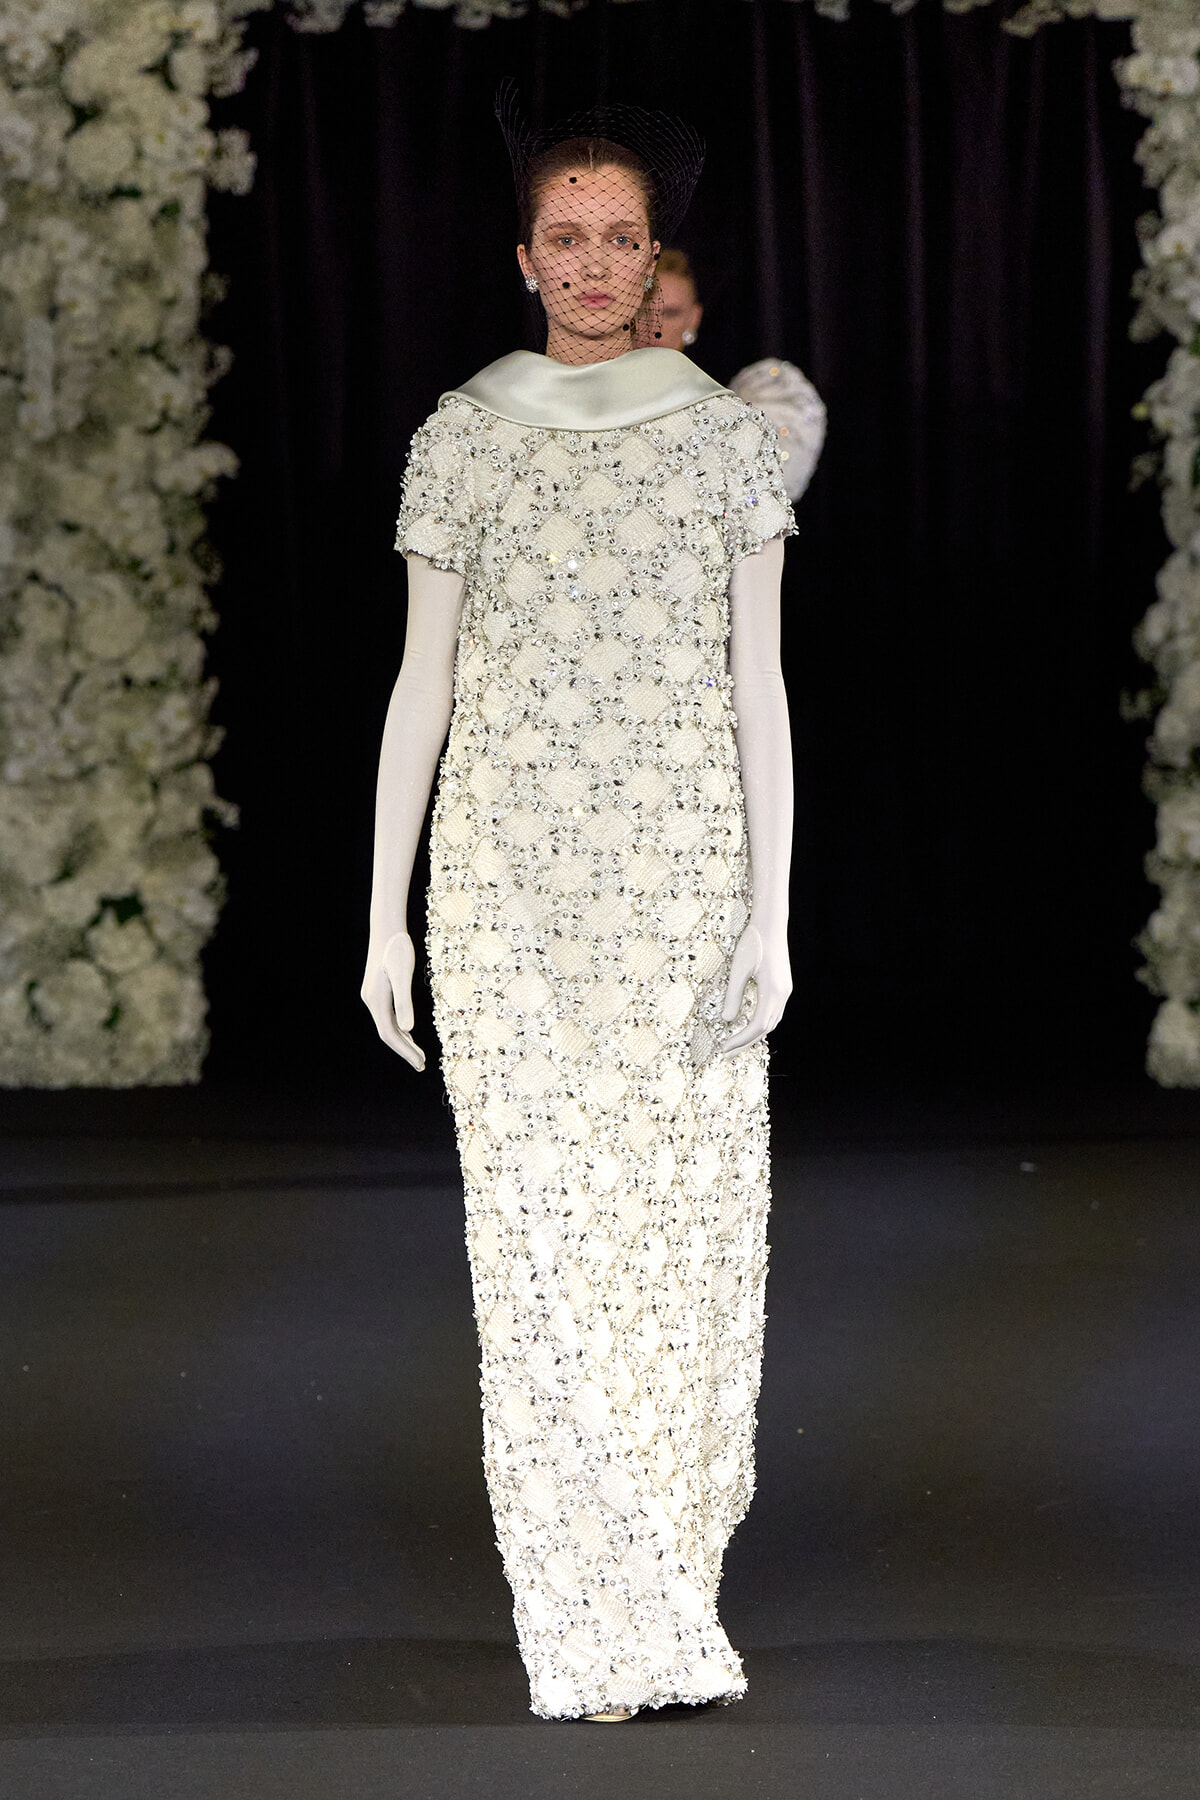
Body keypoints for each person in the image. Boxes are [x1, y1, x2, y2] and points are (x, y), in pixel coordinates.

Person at [361, 100, 798, 1724]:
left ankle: (665, 1580)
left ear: (654, 255)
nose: (596, 264)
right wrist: (386, 913)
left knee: (674, 1245)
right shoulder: (466, 437)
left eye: (622, 238)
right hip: (505, 896)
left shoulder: (722, 440)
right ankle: (592, 1621)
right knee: (539, 1249)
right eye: (569, 237)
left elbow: (760, 688)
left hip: (683, 889)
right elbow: (421, 684)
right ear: (524, 256)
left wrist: (771, 911)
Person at [654, 246, 827, 504]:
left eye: (670, 313)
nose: (655, 327)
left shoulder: (730, 410)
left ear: (693, 318)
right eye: (644, 312)